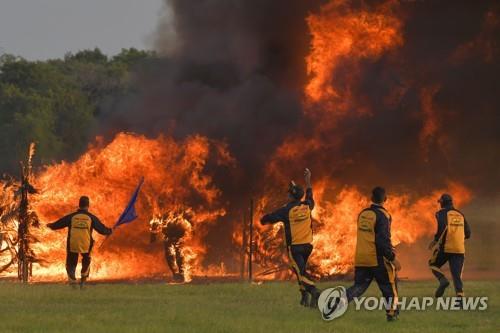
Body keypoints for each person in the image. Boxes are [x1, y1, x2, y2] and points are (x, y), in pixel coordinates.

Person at [260, 168, 321, 308]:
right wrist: (308, 180)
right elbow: (310, 194)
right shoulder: (307, 206)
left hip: (295, 248)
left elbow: (269, 218)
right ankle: (305, 298)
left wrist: (262, 220)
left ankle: (315, 292)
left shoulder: (286, 210)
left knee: (300, 273)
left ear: (291, 196)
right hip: (307, 246)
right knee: (301, 271)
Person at [346, 186, 401, 321]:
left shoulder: (363, 214)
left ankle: (335, 303)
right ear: (385, 199)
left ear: (371, 198)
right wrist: (392, 258)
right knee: (389, 285)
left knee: (358, 287)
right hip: (377, 259)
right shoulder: (383, 215)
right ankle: (391, 314)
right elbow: (382, 241)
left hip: (361, 257)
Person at [47, 196, 112, 288]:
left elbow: (59, 224)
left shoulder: (72, 216)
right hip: (86, 244)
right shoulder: (91, 217)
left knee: (71, 262)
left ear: (79, 205)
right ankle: (83, 281)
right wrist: (109, 231)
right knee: (86, 260)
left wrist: (51, 225)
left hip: (73, 243)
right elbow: (102, 229)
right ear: (88, 205)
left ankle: (73, 283)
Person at [428, 193, 471, 300]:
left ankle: (443, 280)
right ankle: (460, 301)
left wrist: (435, 240)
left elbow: (442, 228)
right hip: (459, 249)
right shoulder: (460, 214)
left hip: (446, 248)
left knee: (433, 264)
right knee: (457, 275)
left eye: (440, 202)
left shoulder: (440, 213)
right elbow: (468, 233)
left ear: (442, 202)